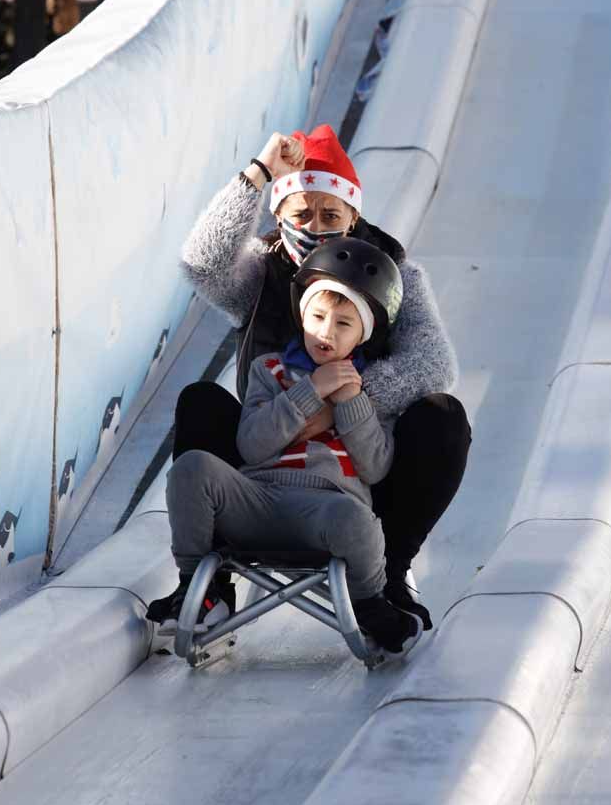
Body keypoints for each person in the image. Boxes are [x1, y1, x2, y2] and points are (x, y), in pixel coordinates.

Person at [170, 123, 471, 629]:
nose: (315, 225)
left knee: (442, 417)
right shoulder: (263, 274)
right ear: (279, 213)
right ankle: (204, 588)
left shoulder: (392, 279)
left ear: (353, 216)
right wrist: (259, 174)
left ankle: (388, 571)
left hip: (358, 459)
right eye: (301, 212)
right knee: (201, 400)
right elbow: (203, 265)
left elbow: (434, 363)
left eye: (330, 214)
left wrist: (339, 405)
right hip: (264, 454)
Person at [148, 239, 423, 659]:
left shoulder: (371, 390)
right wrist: (311, 390)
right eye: (317, 316)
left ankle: (370, 604)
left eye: (344, 324)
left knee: (357, 518)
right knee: (192, 468)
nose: (325, 332)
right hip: (255, 499)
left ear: (364, 334)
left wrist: (349, 400)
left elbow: (375, 468)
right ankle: (197, 591)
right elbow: (252, 445)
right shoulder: (270, 369)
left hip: (324, 510)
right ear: (301, 315)